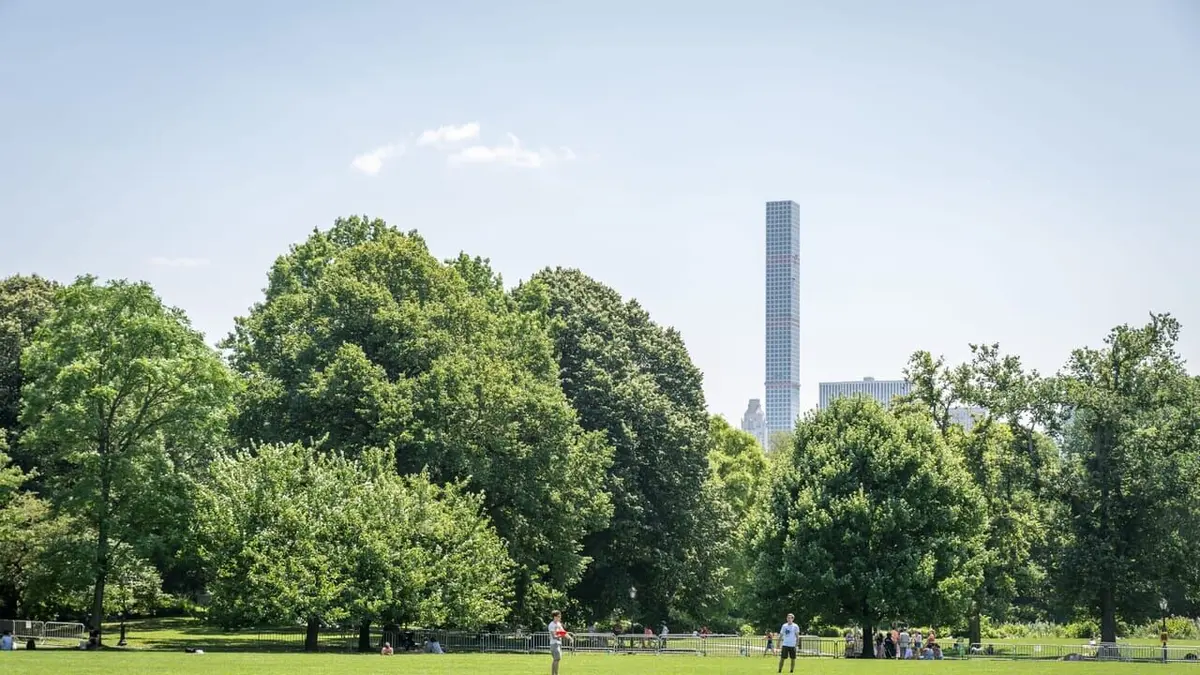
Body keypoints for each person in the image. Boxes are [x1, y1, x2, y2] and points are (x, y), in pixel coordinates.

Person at [548, 610, 572, 675]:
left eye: (560, 616)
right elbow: (554, 636)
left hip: (558, 643)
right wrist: (561, 635)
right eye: (558, 616)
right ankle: (556, 674)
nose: (560, 617)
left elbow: (563, 632)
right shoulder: (551, 625)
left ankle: (554, 674)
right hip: (554, 644)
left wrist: (569, 637)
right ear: (554, 617)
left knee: (556, 659)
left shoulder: (558, 624)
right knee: (557, 659)